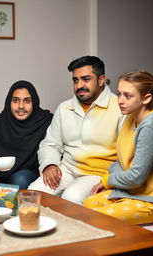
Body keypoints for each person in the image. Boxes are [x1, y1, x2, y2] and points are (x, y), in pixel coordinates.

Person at [28, 56, 122, 204]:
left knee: (71, 196)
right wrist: (50, 165)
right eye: (75, 80)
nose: (79, 85)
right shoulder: (64, 108)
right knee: (32, 195)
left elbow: (128, 156)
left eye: (86, 79)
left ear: (101, 80)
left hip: (99, 174)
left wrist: (109, 180)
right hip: (67, 170)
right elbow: (50, 144)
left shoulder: (120, 107)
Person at [84, 70, 153, 225]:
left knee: (95, 217)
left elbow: (136, 177)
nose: (120, 101)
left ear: (146, 98)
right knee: (88, 204)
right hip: (135, 192)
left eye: (128, 96)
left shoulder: (151, 125)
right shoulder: (129, 118)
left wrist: (108, 181)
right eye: (119, 94)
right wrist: (107, 180)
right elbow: (122, 161)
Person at [0, 80, 53, 189]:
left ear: (34, 102)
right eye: (15, 100)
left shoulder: (46, 122)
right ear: (9, 102)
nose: (21, 106)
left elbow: (56, 151)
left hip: (30, 178)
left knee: (20, 179)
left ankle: (7, 204)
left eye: (27, 101)